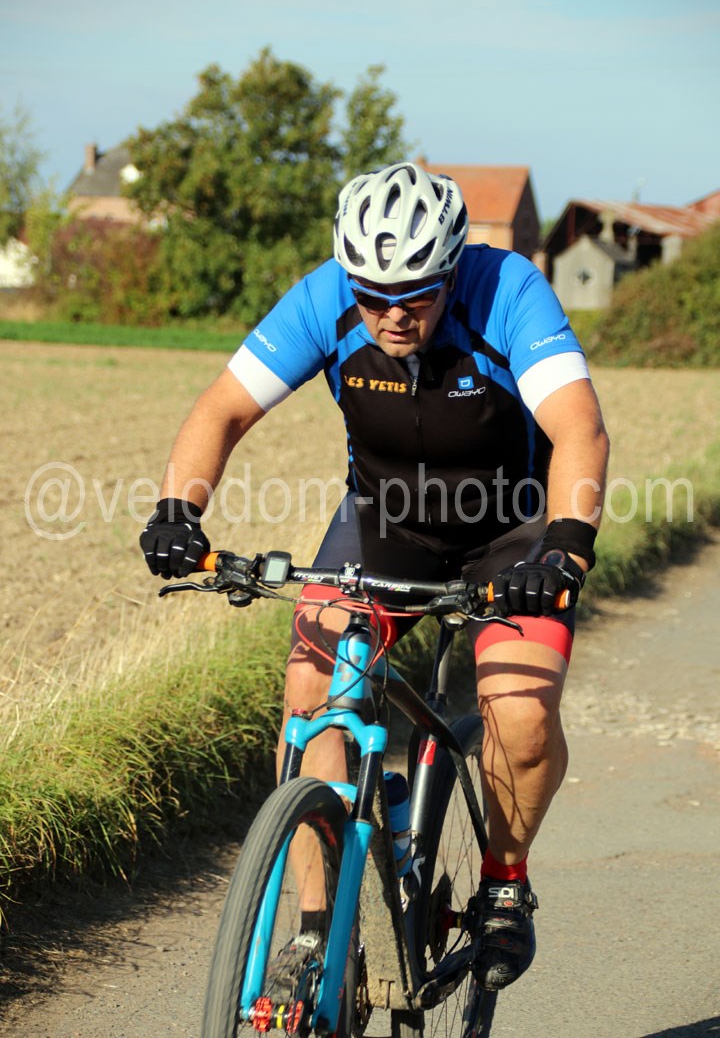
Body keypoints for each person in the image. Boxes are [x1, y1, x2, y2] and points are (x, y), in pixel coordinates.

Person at [140, 162, 609, 991]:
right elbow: (224, 408)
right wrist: (178, 511)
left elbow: (578, 427)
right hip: (385, 524)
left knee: (521, 713)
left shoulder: (507, 290)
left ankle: (504, 883)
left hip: (514, 531)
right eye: (372, 295)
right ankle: (316, 932)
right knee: (310, 697)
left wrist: (564, 551)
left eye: (416, 295)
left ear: (452, 271)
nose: (392, 313)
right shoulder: (324, 297)